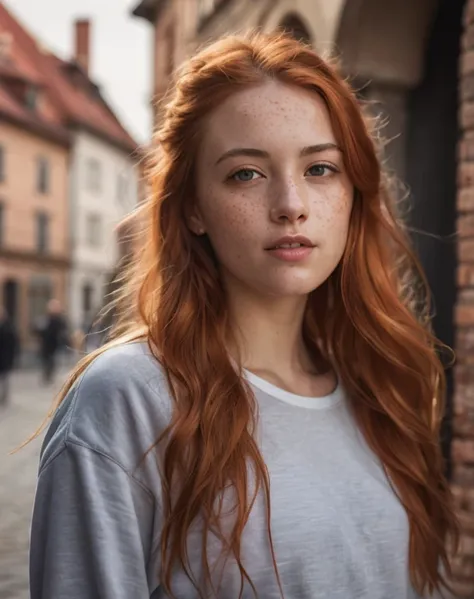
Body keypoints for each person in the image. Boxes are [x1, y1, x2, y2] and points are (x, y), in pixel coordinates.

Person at [29, 32, 458, 599]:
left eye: (320, 169)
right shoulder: (131, 400)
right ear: (193, 209)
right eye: (246, 174)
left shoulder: (377, 387)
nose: (291, 204)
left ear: (353, 193)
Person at [36, 299, 67, 384]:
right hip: (47, 346)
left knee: (56, 362)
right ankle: (47, 376)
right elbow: (40, 332)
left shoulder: (61, 320)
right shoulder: (46, 319)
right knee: (47, 362)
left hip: (58, 346)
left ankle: (53, 377)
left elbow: (64, 332)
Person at [0, 307, 18, 406]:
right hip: (4, 357)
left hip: (5, 357)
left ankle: (4, 396)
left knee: (4, 378)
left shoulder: (8, 328)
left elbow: (13, 344)